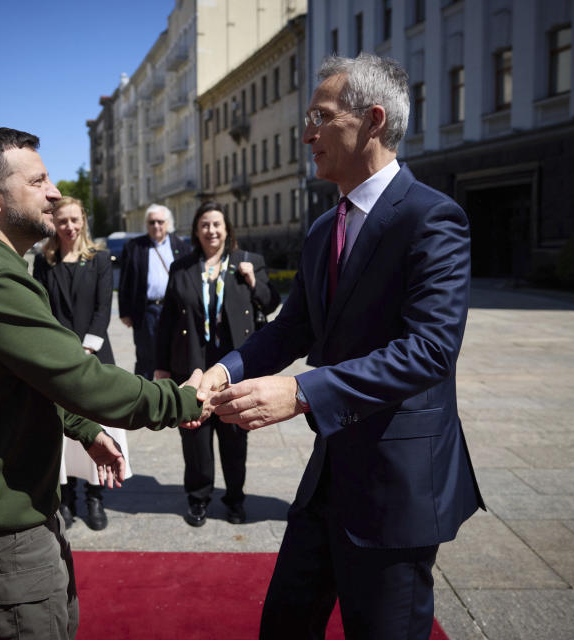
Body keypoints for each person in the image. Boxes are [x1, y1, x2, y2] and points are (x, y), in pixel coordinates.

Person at [196, 54, 485, 639]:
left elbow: (430, 350)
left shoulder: (432, 218)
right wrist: (223, 371)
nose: (307, 133)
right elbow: (290, 329)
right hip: (330, 474)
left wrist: (302, 392)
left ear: (372, 120)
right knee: (283, 624)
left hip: (395, 488)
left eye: (320, 117)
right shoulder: (325, 227)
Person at [0, 127, 202, 640]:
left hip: (15, 510)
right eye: (39, 180)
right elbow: (82, 378)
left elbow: (25, 376)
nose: (54, 192)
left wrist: (81, 428)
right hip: (3, 525)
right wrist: (183, 399)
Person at [155, 202, 279, 527]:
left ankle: (235, 500)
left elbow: (272, 302)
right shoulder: (182, 268)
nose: (211, 230)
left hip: (234, 369)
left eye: (217, 225)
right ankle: (198, 499)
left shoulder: (247, 262)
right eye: (205, 225)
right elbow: (167, 320)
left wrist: (254, 282)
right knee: (195, 440)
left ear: (227, 229)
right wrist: (161, 366)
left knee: (235, 439)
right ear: (196, 231)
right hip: (191, 367)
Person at [33, 195, 131, 532]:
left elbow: (103, 310)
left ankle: (95, 497)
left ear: (83, 222)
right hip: (58, 360)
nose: (69, 227)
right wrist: (61, 352)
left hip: (94, 358)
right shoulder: (44, 262)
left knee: (97, 427)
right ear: (54, 224)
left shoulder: (100, 259)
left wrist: (85, 349)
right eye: (62, 221)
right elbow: (42, 311)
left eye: (75, 220)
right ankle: (68, 497)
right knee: (64, 432)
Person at [117, 203, 190, 379]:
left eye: (160, 222)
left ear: (168, 223)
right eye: (151, 222)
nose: (156, 226)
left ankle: (171, 396)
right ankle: (143, 400)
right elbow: (125, 281)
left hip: (173, 310)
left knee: (174, 353)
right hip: (146, 311)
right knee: (146, 358)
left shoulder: (181, 246)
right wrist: (125, 312)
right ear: (146, 224)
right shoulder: (134, 247)